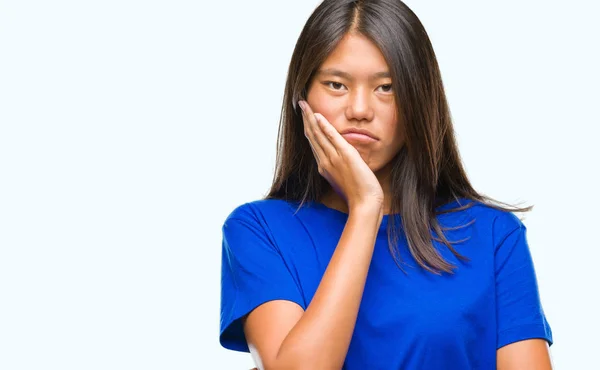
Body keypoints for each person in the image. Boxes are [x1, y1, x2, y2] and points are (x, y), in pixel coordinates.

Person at [219, 0, 553, 368]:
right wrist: (365, 209)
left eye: (386, 87)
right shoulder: (259, 230)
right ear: (303, 97)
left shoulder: (494, 237)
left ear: (419, 100)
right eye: (336, 84)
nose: (360, 109)